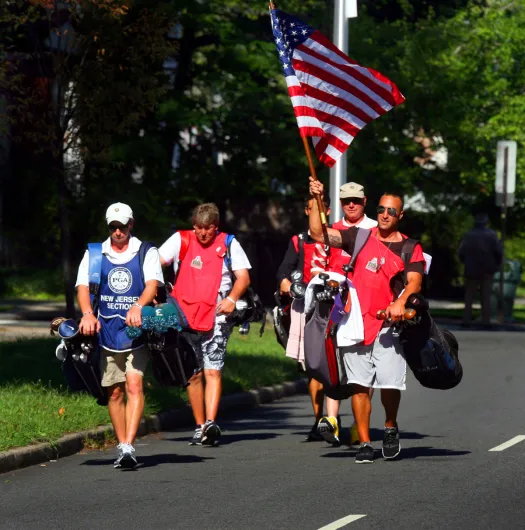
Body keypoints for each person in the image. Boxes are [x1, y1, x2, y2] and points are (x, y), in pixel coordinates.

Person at [309, 177, 426, 464]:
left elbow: (415, 282)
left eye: (392, 211)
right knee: (360, 385)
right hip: (355, 324)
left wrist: (399, 302)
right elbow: (318, 234)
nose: (385, 215)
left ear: (401, 215)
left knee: (388, 384)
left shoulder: (410, 247)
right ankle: (364, 442)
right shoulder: (359, 237)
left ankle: (389, 426)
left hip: (390, 327)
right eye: (382, 209)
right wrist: (315, 199)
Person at [76, 203, 164, 469]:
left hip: (136, 331)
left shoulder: (145, 251)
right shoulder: (95, 253)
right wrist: (88, 314)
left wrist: (138, 306)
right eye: (113, 227)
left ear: (131, 225)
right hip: (107, 332)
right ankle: (121, 444)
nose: (117, 232)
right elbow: (82, 287)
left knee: (134, 385)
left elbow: (152, 285)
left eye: (122, 226)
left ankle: (128, 446)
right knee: (114, 391)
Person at [159, 203, 251, 446]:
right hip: (184, 316)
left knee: (213, 370)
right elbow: (156, 262)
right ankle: (199, 426)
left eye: (207, 229)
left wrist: (232, 298)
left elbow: (243, 277)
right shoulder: (181, 240)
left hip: (218, 315)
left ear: (216, 227)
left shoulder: (229, 243)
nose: (202, 233)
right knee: (193, 374)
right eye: (198, 228)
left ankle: (210, 422)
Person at [316, 182, 377, 447]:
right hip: (335, 304)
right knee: (333, 360)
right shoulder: (333, 230)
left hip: (365, 305)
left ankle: (357, 425)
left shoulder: (376, 229)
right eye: (345, 201)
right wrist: (316, 198)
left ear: (365, 201)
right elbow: (317, 238)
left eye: (356, 200)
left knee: (364, 368)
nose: (351, 205)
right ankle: (331, 420)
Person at [276, 196, 331, 442]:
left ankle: (333, 417)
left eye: (319, 209)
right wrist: (289, 287)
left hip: (333, 308)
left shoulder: (336, 238)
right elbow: (283, 273)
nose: (314, 212)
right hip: (305, 310)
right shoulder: (298, 241)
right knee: (313, 368)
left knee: (332, 364)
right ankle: (319, 419)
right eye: (311, 208)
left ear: (327, 211)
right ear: (306, 210)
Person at [458, 213, 503, 327]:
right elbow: (498, 252)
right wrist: (497, 265)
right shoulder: (492, 235)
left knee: (469, 296)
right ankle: (486, 321)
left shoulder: (468, 235)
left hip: (471, 268)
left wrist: (466, 262)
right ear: (486, 223)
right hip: (487, 269)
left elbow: (461, 252)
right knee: (486, 296)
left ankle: (466, 320)